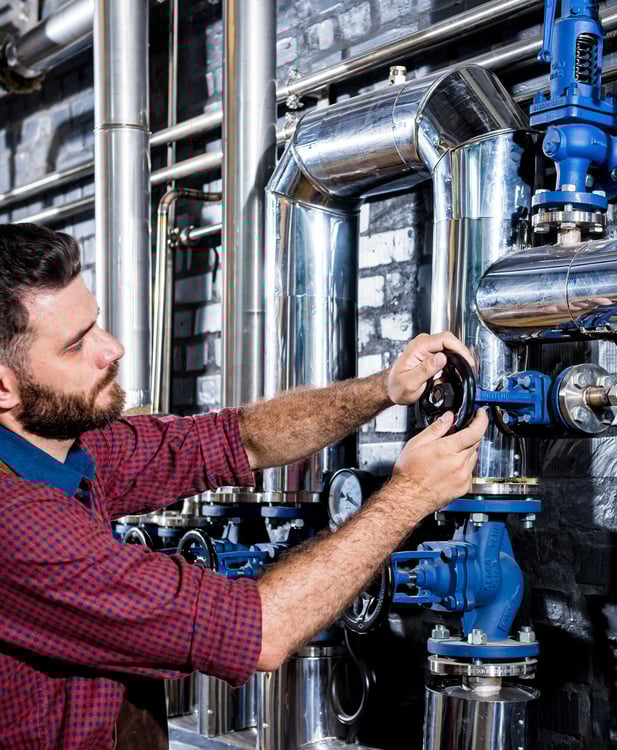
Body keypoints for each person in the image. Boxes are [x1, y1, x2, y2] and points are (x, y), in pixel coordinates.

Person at [0, 223, 488, 750]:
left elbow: (237, 439)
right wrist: (410, 496)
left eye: (96, 324)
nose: (112, 348)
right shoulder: (18, 524)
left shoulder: (70, 448)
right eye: (76, 346)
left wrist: (386, 389)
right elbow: (260, 632)